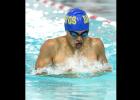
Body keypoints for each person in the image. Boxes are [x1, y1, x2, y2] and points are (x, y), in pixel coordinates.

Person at [35, 8, 112, 75]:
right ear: (67, 31)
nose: (79, 39)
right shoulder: (51, 46)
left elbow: (107, 70)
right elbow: (39, 75)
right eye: (74, 34)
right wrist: (63, 75)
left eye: (84, 34)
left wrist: (97, 72)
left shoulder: (96, 45)